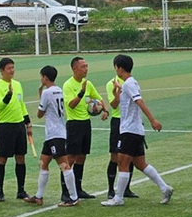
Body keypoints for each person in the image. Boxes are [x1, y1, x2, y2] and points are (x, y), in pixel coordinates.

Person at [102, 54, 174, 207]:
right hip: (136, 130)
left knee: (122, 162)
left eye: (116, 67)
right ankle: (164, 187)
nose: (115, 69)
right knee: (140, 163)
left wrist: (152, 120)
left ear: (120, 68)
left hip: (129, 130)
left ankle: (118, 198)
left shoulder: (129, 84)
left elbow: (139, 102)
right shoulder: (129, 84)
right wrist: (119, 92)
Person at [25, 65, 79, 207]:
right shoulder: (59, 90)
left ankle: (73, 198)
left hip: (55, 134)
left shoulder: (47, 93)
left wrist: (40, 93)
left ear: (45, 78)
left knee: (64, 165)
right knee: (43, 163)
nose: (40, 78)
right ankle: (38, 196)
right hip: (54, 134)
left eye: (41, 76)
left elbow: (39, 113)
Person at [62, 57, 108, 201]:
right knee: (70, 158)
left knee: (82, 156)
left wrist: (105, 109)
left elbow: (99, 98)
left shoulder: (88, 84)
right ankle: (65, 192)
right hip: (74, 124)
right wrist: (81, 93)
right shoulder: (68, 85)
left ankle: (78, 188)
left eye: (87, 66)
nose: (86, 69)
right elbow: (71, 105)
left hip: (85, 123)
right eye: (83, 66)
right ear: (75, 69)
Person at [0, 57, 32, 201]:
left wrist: (28, 122)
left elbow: (21, 104)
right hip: (5, 126)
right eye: (9, 68)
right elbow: (0, 106)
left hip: (19, 125)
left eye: (13, 67)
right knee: (2, 158)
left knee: (20, 158)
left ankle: (21, 190)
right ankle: (0, 191)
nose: (12, 70)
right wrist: (8, 95)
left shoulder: (18, 84)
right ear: (2, 70)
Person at [105, 71, 138, 199]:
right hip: (118, 121)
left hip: (130, 121)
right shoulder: (111, 84)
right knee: (114, 156)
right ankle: (110, 190)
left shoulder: (130, 82)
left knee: (129, 156)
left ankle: (126, 189)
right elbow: (113, 105)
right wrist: (117, 93)